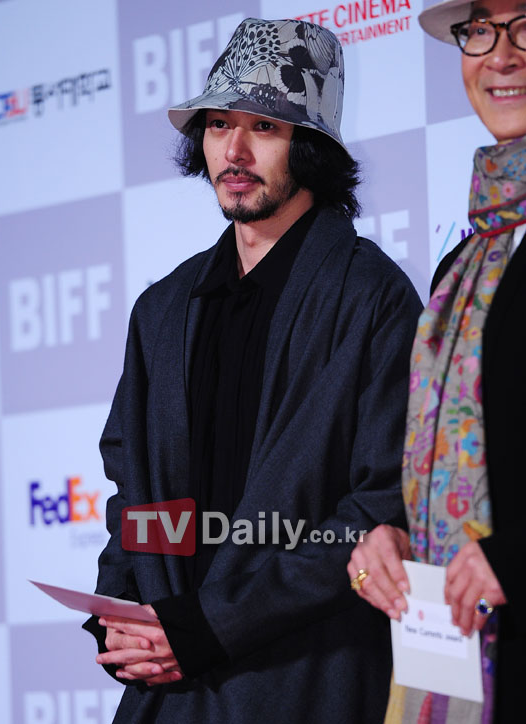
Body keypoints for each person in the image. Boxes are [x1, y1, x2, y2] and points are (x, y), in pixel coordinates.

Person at [84, 17, 422, 723]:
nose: (233, 152)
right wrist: (124, 608)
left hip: (307, 678)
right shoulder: (164, 308)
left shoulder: (372, 296)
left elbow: (377, 507)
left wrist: (211, 626)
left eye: (264, 127)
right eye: (218, 125)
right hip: (170, 690)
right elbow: (139, 492)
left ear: (312, 147)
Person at [347, 0, 526, 720]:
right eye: (480, 29)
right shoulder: (466, 263)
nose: (501, 55)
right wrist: (399, 538)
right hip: (463, 666)